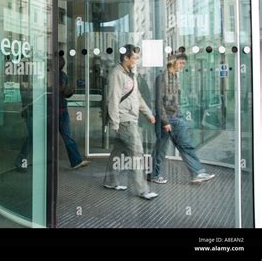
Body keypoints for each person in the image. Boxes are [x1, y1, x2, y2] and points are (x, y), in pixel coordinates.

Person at [103, 44, 158, 200]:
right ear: (125, 58)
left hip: (130, 118)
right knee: (137, 154)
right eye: (134, 58)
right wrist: (115, 123)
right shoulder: (116, 74)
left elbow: (138, 98)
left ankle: (111, 181)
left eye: (138, 58)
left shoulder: (130, 74)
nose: (137, 61)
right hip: (124, 120)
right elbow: (112, 100)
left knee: (118, 152)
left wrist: (148, 114)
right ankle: (143, 190)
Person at [150, 53, 215, 184]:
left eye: (183, 63)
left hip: (175, 117)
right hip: (167, 119)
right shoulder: (162, 78)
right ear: (172, 62)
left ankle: (198, 172)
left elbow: (175, 100)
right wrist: (165, 121)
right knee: (161, 149)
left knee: (185, 145)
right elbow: (158, 102)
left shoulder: (175, 77)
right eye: (180, 63)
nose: (182, 66)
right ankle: (154, 174)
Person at [59, 55, 90, 169]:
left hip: (61, 110)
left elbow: (64, 93)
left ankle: (76, 161)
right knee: (65, 136)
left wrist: (69, 90)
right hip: (55, 111)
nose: (62, 62)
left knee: (67, 136)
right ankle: (76, 161)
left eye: (62, 60)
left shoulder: (63, 75)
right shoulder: (53, 75)